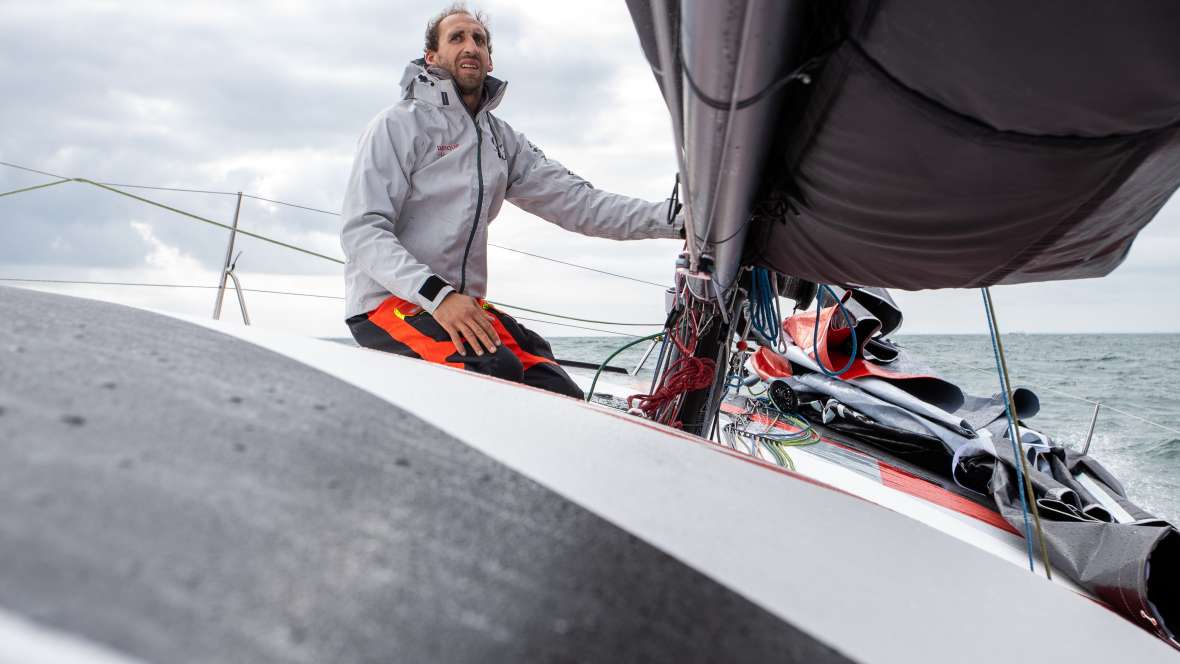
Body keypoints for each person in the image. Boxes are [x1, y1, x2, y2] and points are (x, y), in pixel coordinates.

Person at [341, 3, 681, 399]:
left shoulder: (501, 141)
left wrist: (676, 221)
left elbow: (579, 204)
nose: (471, 46)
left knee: (556, 386)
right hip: (390, 302)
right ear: (432, 57)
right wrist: (438, 295)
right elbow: (361, 231)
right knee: (494, 368)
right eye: (457, 37)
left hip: (462, 307)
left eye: (479, 40)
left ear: (489, 60)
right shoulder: (398, 124)